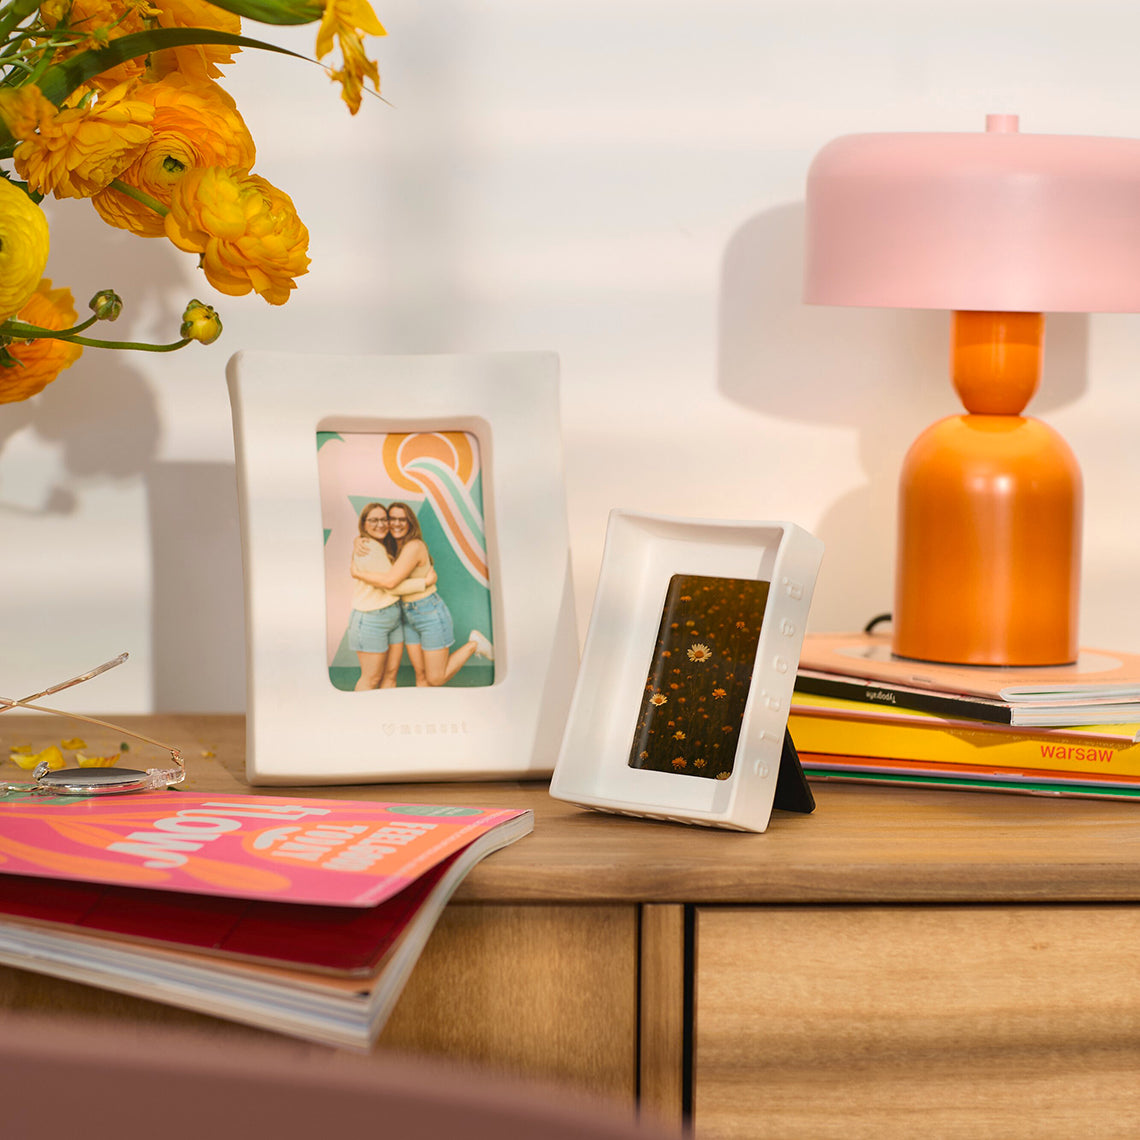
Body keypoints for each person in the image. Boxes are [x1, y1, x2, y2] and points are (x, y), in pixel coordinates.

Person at [354, 500, 492, 687]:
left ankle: (473, 644)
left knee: (435, 678)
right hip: (407, 614)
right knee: (420, 675)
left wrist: (357, 573)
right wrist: (358, 540)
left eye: (402, 519)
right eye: (392, 518)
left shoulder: (413, 546)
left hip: (429, 613)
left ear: (411, 522)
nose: (396, 523)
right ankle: (424, 714)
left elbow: (391, 583)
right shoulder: (390, 546)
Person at [347, 503, 435, 690]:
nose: (380, 524)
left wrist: (357, 543)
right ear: (364, 523)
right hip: (371, 619)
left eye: (383, 519)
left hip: (393, 616)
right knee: (371, 679)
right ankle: (360, 718)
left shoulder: (384, 545)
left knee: (390, 675)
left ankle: (387, 715)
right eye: (373, 520)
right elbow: (391, 585)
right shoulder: (367, 549)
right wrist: (425, 582)